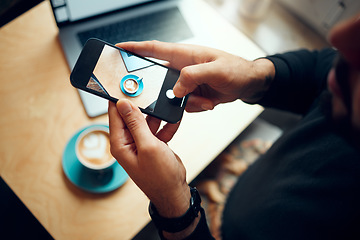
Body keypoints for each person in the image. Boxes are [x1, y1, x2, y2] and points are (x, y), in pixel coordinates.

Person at [108, 13, 360, 240]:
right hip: (246, 193)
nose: (338, 35)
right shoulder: (348, 78)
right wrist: (254, 75)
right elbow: (321, 67)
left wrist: (175, 207)